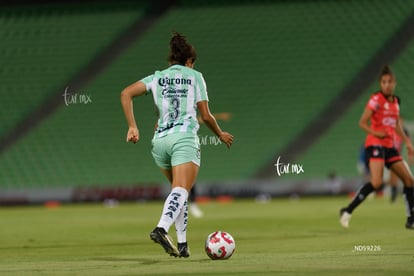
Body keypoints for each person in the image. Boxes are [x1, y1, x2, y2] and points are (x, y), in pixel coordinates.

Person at [120, 32, 234, 257]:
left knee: (178, 191)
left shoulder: (157, 77)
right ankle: (162, 228)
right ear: (189, 61)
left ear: (171, 61)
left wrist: (132, 126)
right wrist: (220, 134)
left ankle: (182, 244)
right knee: (182, 189)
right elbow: (207, 115)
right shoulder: (195, 77)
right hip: (183, 139)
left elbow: (126, 94)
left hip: (160, 141)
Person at [340, 65, 414, 229]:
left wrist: (408, 143)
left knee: (409, 180)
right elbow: (362, 122)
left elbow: (395, 125)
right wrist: (376, 133)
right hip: (375, 143)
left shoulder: (395, 102)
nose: (387, 84)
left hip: (389, 146)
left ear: (394, 83)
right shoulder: (375, 100)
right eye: (383, 82)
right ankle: (347, 211)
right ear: (380, 84)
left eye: (389, 82)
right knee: (376, 182)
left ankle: (411, 220)